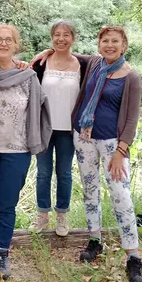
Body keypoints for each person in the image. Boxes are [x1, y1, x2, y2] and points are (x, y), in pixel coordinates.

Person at [32, 25, 142, 282]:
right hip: (83, 139)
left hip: (112, 144)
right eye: (105, 41)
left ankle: (133, 256)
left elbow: (131, 120)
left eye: (115, 42)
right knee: (90, 191)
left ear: (124, 45)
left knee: (121, 195)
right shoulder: (93, 63)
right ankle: (95, 240)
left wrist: (121, 151)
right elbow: (63, 53)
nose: (109, 45)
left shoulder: (131, 77)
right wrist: (46, 50)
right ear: (98, 45)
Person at [0, 24, 52, 280]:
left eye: (8, 40)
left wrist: (36, 141)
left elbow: (40, 110)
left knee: (7, 204)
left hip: (17, 150)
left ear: (16, 45)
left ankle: (2, 252)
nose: (3, 44)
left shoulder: (28, 78)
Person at [31, 20, 88, 236]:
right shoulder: (42, 63)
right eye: (56, 34)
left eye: (66, 35)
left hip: (68, 130)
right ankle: (43, 215)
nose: (60, 38)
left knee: (64, 173)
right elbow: (27, 78)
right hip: (44, 128)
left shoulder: (82, 65)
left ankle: (62, 216)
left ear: (73, 38)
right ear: (51, 37)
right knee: (43, 173)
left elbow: (98, 60)